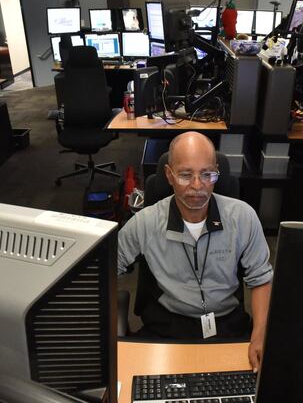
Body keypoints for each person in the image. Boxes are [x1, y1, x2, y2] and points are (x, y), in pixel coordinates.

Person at [117, 132, 273, 371]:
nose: (198, 186)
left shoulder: (242, 217)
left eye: (207, 174)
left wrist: (260, 332)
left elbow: (261, 278)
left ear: (216, 172)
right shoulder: (146, 222)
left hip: (227, 323)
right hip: (167, 325)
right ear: (169, 175)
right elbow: (104, 270)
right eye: (185, 175)